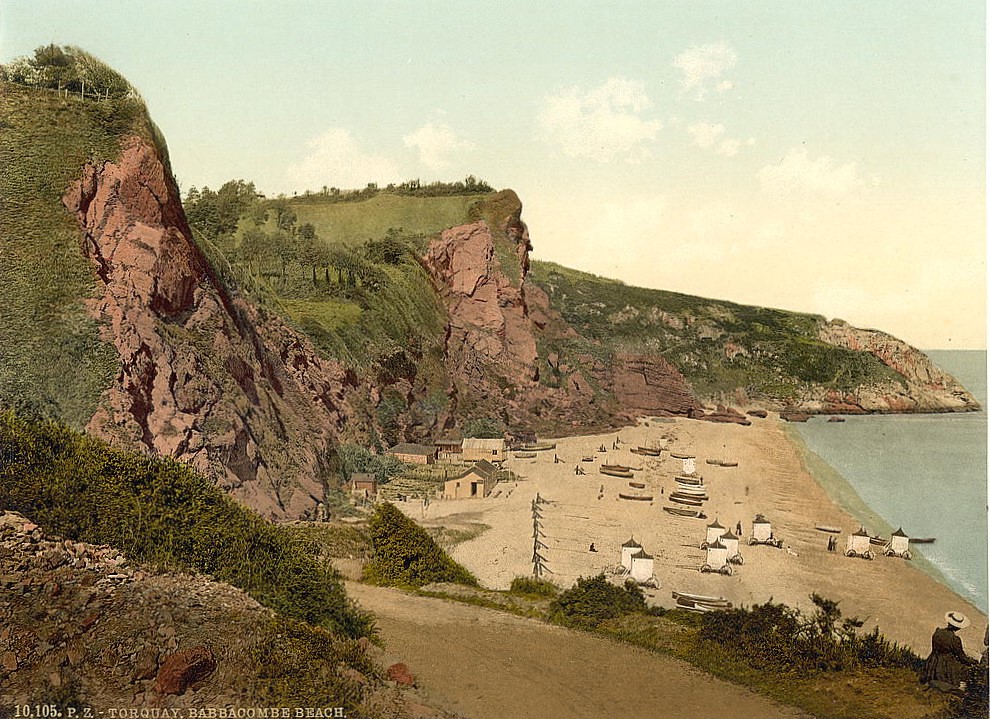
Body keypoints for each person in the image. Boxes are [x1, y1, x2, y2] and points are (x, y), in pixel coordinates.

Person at [920, 611, 977, 693]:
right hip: (945, 665)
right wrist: (972, 661)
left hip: (932, 661)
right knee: (963, 669)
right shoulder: (955, 639)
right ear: (959, 628)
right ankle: (959, 687)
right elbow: (962, 657)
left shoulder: (938, 632)